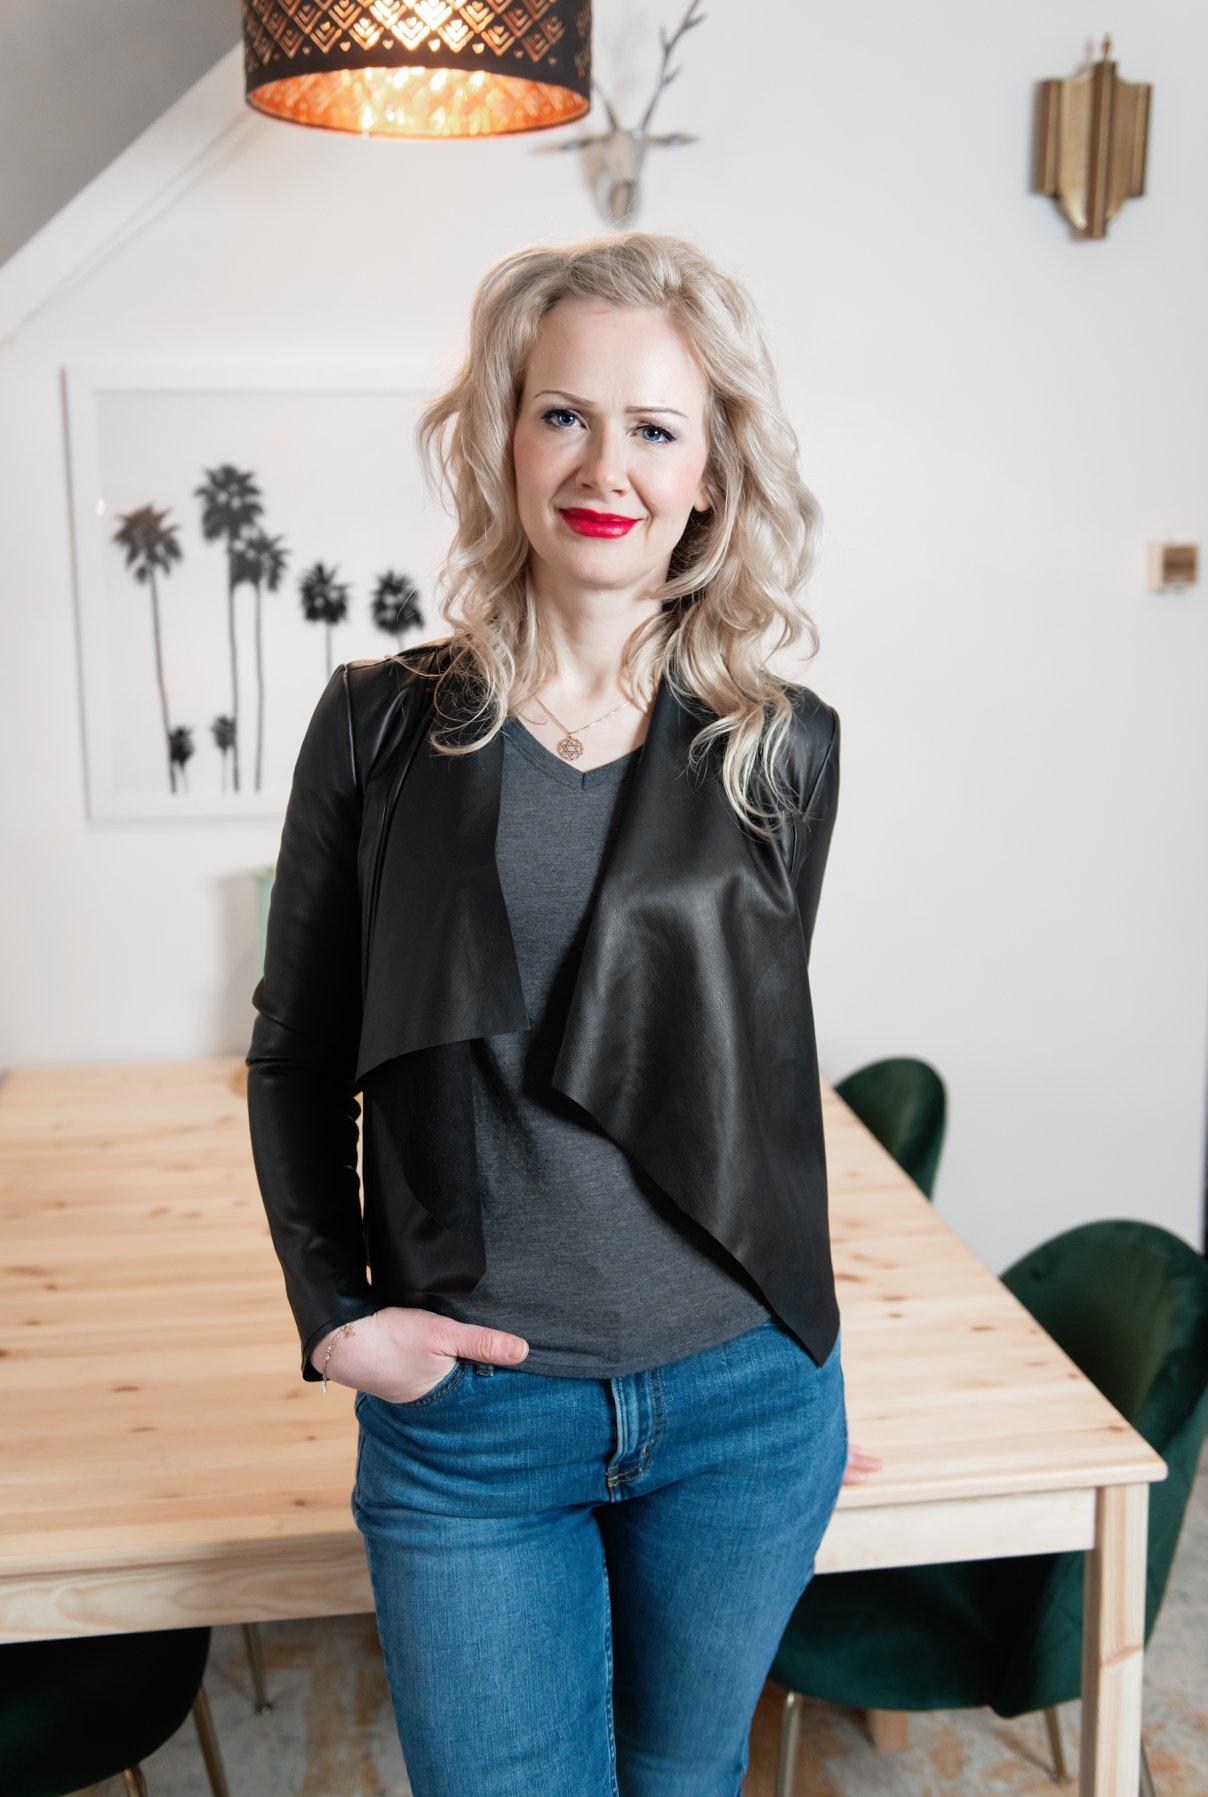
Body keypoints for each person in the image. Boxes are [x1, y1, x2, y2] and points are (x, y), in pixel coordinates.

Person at [246, 230, 881, 1797]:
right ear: (507, 439)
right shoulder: (380, 725)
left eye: (658, 427)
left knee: (683, 1782)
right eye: (565, 414)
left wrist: (797, 1340)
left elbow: (742, 1073)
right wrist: (337, 1313)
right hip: (476, 1426)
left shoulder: (779, 747)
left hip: (740, 1406)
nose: (609, 465)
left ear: (714, 472)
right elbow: (295, 1054)